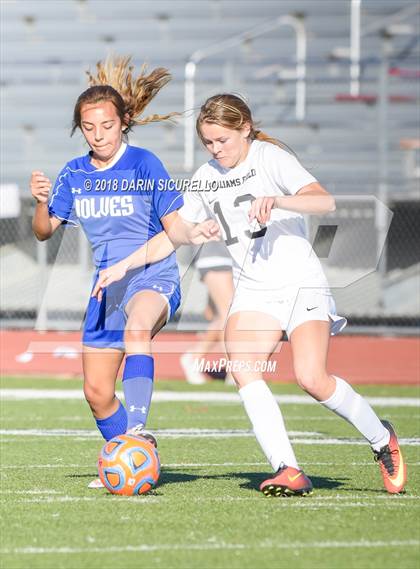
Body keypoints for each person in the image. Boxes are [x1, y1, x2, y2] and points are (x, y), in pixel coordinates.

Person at [92, 93, 407, 496]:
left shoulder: (269, 157)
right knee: (243, 367)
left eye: (222, 140)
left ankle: (382, 440)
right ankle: (288, 468)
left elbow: (325, 201)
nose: (215, 149)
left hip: (300, 283)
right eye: (208, 142)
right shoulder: (206, 177)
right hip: (255, 290)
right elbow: (174, 236)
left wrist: (278, 200)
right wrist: (127, 264)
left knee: (312, 379)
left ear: (244, 128)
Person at [30, 56, 214, 489]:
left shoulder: (145, 163)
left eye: (107, 126)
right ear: (80, 129)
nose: (99, 135)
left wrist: (194, 230)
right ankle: (135, 459)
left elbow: (174, 229)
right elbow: (43, 232)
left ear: (124, 122)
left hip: (153, 276)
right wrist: (40, 200)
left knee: (138, 329)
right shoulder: (73, 174)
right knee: (96, 393)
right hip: (106, 289)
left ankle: (137, 433)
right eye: (89, 127)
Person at [180, 241, 235, 385]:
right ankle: (232, 371)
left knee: (223, 316)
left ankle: (193, 357)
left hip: (228, 255)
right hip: (216, 253)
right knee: (229, 315)